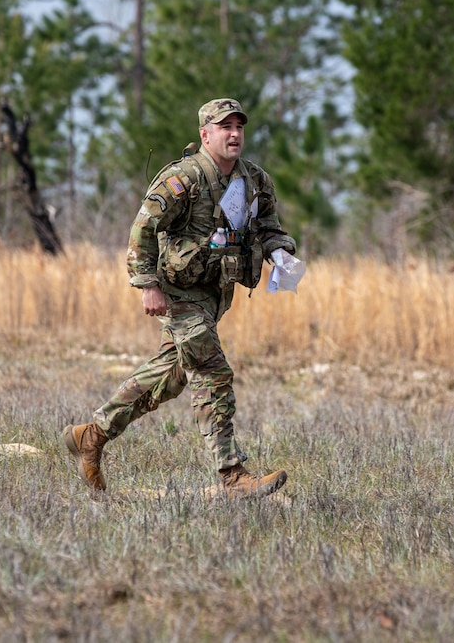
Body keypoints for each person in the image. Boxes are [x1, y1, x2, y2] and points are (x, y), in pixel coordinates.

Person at [63, 98, 297, 498]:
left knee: (171, 377)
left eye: (239, 126)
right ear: (205, 134)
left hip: (215, 294)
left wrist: (281, 253)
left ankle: (93, 434)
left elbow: (268, 225)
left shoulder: (255, 180)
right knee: (211, 371)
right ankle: (232, 475)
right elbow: (143, 229)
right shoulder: (183, 179)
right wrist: (147, 284)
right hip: (178, 291)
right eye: (225, 127)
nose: (234, 133)